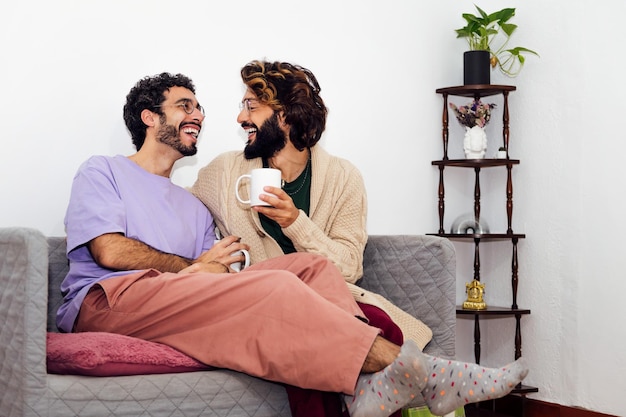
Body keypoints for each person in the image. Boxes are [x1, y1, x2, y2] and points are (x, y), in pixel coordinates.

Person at [57, 72, 528, 417]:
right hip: (110, 298)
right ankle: (427, 373)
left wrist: (215, 265)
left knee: (311, 272)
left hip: (176, 299)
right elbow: (110, 252)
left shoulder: (195, 206)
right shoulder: (104, 170)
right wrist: (192, 268)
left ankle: (366, 387)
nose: (200, 114)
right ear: (147, 117)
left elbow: (221, 273)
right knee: (278, 291)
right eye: (185, 105)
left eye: (200, 107)